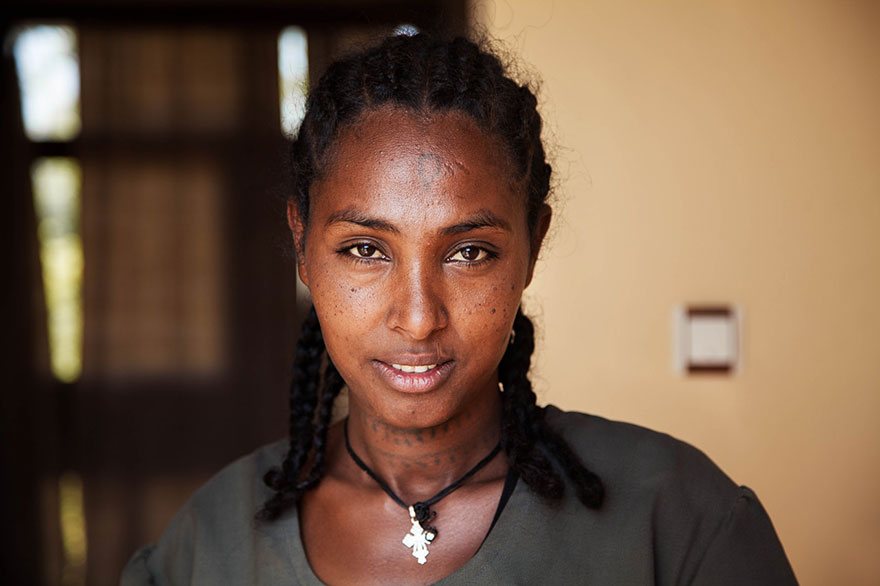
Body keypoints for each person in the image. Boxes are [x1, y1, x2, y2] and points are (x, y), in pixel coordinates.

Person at [121, 34, 798, 585]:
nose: (418, 318)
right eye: (365, 248)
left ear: (531, 248)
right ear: (302, 246)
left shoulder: (678, 522)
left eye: (469, 253)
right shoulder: (209, 547)